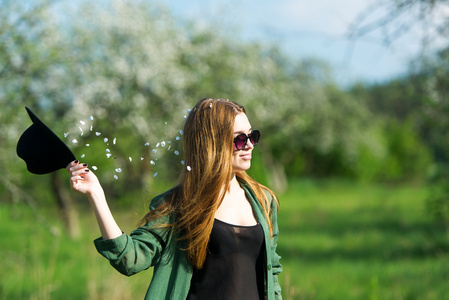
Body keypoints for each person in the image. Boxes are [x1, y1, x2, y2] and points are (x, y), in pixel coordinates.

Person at [67, 98, 282, 300]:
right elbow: (130, 259)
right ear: (212, 143)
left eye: (252, 136)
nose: (250, 145)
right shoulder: (177, 205)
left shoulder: (263, 200)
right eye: (240, 139)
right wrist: (97, 195)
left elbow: (271, 276)